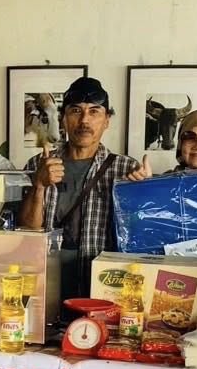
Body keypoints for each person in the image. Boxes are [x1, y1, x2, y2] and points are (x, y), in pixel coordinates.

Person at [18, 76, 151, 295]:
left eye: (94, 112)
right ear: (63, 119)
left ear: (107, 120)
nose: (84, 121)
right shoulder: (37, 164)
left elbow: (139, 241)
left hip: (104, 289)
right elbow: (26, 233)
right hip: (45, 285)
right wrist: (39, 185)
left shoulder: (125, 170)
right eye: (76, 111)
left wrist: (143, 194)